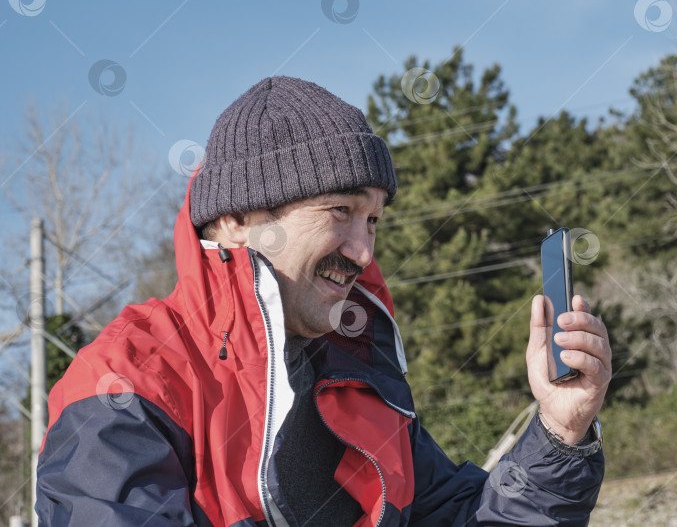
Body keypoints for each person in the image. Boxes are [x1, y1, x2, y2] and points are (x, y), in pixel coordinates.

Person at [36, 76, 612, 526]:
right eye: (339, 212)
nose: (363, 251)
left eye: (374, 220)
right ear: (236, 220)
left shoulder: (362, 384)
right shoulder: (125, 383)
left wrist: (562, 433)